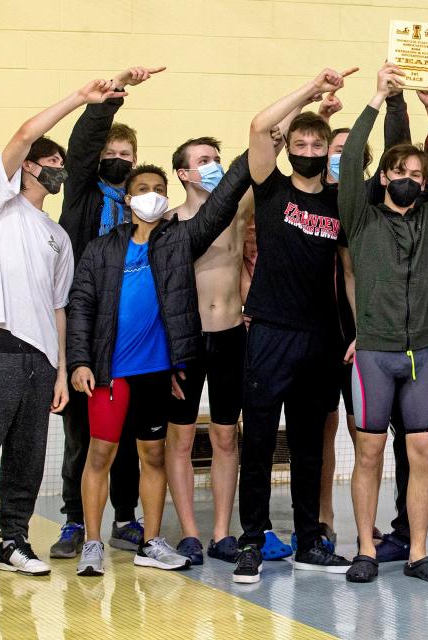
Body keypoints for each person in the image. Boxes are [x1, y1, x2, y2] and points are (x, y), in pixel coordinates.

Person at [0, 79, 113, 581]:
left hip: (40, 362)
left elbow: (59, 308)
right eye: (53, 163)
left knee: (28, 459)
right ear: (29, 167)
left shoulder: (58, 237)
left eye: (64, 165)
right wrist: (80, 100)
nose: (61, 171)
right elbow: (24, 133)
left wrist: (62, 371)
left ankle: (13, 542)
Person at [67, 152, 252, 576]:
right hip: (110, 375)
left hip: (156, 373)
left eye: (158, 189)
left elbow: (222, 202)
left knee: (153, 456)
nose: (151, 196)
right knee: (100, 455)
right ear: (128, 200)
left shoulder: (178, 241)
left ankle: (151, 542)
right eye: (142, 190)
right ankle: (92, 543)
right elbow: (81, 307)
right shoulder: (101, 250)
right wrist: (79, 361)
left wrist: (258, 145)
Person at [338, 64, 428, 584]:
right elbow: (352, 159)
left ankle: (420, 552)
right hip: (374, 352)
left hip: (424, 352)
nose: (410, 180)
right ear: (384, 177)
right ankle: (367, 549)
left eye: (419, 176)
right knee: (370, 451)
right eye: (401, 172)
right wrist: (377, 100)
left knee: (423, 451)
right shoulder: (360, 215)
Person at [233, 68, 355, 585]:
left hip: (321, 338)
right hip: (270, 331)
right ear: (290, 149)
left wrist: (358, 331)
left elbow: (348, 272)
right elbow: (261, 126)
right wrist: (313, 89)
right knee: (258, 441)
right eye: (299, 141)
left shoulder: (338, 201)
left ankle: (310, 540)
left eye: (316, 142)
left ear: (328, 149)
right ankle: (252, 541)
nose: (306, 147)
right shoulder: (271, 187)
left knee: (310, 445)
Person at [53, 65, 165, 560]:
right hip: (85, 326)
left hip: (135, 340)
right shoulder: (82, 196)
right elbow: (80, 149)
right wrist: (110, 99)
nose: (118, 161)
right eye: (111, 155)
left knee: (126, 433)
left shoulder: (143, 209)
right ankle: (76, 521)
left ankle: (125, 516)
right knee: (84, 434)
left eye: (127, 156)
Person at [163, 136, 249, 566]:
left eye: (217, 159)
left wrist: (315, 109)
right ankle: (190, 534)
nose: (213, 166)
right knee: (179, 439)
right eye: (203, 161)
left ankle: (221, 532)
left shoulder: (236, 211)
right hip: (187, 342)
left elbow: (261, 154)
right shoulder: (168, 222)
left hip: (231, 332)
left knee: (225, 435)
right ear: (183, 173)